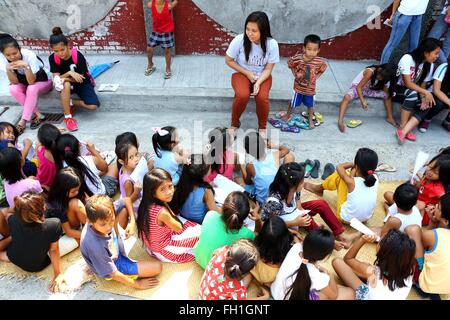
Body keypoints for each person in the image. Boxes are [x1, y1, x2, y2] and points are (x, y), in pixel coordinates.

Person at [261, 163, 356, 250]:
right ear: (292, 185)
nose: (304, 183)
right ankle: (329, 242)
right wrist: (295, 222)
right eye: (302, 182)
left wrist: (305, 218)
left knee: (320, 204)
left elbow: (299, 208)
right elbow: (271, 225)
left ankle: (341, 234)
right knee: (306, 219)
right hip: (280, 221)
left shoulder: (295, 190)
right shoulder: (273, 202)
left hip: (292, 214)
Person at [80, 195, 162, 289]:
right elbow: (113, 273)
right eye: (103, 224)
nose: (109, 227)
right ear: (90, 221)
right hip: (114, 263)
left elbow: (126, 200)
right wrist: (137, 284)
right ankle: (113, 265)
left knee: (124, 210)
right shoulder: (94, 245)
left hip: (113, 248)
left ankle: (112, 252)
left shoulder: (104, 209)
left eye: (111, 221)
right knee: (157, 267)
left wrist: (132, 222)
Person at [0, 192, 66, 293]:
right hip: (37, 266)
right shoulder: (54, 224)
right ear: (43, 209)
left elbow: (9, 212)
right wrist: (58, 273)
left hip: (14, 257)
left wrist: (21, 204)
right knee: (74, 241)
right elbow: (53, 250)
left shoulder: (12, 219)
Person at [225, 11, 280, 132]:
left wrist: (258, 82)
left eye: (254, 31)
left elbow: (268, 69)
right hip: (242, 73)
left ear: (263, 30)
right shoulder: (239, 40)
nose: (250, 33)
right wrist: (247, 73)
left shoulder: (272, 44)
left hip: (262, 75)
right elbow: (228, 60)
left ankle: (262, 128)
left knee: (262, 98)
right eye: (247, 29)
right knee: (242, 95)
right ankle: (234, 124)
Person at [137, 169, 201, 263]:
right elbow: (179, 228)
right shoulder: (162, 212)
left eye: (170, 186)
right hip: (164, 249)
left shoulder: (145, 203)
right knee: (201, 234)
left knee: (189, 224)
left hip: (152, 245)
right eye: (162, 189)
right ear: (153, 193)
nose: (169, 192)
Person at [271, 228, 353, 300]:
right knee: (350, 293)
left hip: (276, 292)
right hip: (287, 297)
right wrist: (329, 274)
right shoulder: (318, 277)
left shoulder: (296, 247)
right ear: (326, 257)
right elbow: (334, 296)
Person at [332, 229, 416, 300]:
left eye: (380, 240)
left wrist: (362, 240)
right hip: (379, 290)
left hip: (368, 296)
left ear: (384, 252)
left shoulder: (373, 272)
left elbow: (348, 259)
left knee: (337, 263)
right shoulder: (410, 267)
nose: (378, 240)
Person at [305, 148, 379, 223]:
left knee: (339, 176)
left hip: (346, 218)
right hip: (365, 219)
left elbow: (339, 167)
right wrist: (355, 169)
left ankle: (319, 188)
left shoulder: (351, 182)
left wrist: (352, 164)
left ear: (356, 167)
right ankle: (320, 187)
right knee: (347, 177)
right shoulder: (376, 178)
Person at [49, 27, 100, 132]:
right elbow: (56, 78)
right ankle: (68, 118)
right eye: (56, 51)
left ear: (68, 46)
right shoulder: (53, 58)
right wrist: (68, 73)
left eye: (62, 49)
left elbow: (81, 79)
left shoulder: (78, 56)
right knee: (65, 83)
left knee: (93, 106)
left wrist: (64, 78)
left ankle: (70, 102)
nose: (60, 53)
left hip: (82, 83)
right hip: (67, 85)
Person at [392, 38, 441, 144]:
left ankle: (404, 131)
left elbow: (422, 86)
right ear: (426, 52)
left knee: (430, 101)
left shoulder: (429, 65)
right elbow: (408, 83)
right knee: (413, 94)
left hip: (411, 91)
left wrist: (424, 98)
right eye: (435, 53)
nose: (437, 57)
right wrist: (425, 93)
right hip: (396, 89)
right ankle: (403, 126)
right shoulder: (408, 58)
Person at [0, 34, 52, 135]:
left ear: (19, 49)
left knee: (31, 88)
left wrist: (26, 66)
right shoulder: (2, 60)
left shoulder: (29, 55)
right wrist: (8, 69)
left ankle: (23, 121)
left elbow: (32, 81)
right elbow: (14, 82)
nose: (12, 57)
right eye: (8, 55)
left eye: (15, 53)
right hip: (24, 83)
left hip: (43, 81)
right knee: (13, 89)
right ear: (3, 54)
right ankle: (37, 114)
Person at [194, 191, 261, 269]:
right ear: (244, 218)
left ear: (223, 206)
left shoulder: (210, 214)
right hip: (214, 269)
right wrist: (258, 219)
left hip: (198, 258)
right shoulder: (246, 234)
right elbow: (257, 233)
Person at [384, 153, 450, 226]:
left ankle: (392, 212)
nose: (430, 172)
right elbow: (420, 186)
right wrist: (415, 183)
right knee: (388, 194)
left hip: (422, 212)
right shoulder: (427, 178)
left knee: (420, 204)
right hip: (412, 202)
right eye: (430, 167)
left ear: (443, 175)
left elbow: (445, 201)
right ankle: (395, 211)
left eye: (435, 172)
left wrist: (435, 208)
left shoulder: (437, 189)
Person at [280, 34, 327, 129]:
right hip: (298, 88)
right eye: (309, 49)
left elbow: (323, 68)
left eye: (315, 50)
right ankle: (288, 115)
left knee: (310, 106)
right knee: (293, 102)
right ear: (304, 48)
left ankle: (310, 121)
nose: (311, 52)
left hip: (310, 90)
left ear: (318, 50)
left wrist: (316, 77)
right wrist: (294, 74)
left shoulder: (319, 61)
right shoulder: (298, 58)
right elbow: (290, 63)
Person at [199, 239, 270, 300]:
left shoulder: (222, 250)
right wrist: (265, 297)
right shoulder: (238, 288)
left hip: (203, 291)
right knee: (249, 277)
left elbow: (213, 254)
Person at [408, 192, 450, 294]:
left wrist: (431, 222)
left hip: (427, 285)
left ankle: (416, 278)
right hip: (447, 289)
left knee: (413, 230)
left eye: (438, 207)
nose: (435, 206)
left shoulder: (432, 235)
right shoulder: (441, 230)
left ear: (445, 221)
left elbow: (422, 243)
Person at [338, 63, 397, 132]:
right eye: (380, 76)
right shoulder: (370, 72)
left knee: (387, 95)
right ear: (380, 69)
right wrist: (363, 101)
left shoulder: (382, 74)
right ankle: (340, 121)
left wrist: (389, 91)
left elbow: (384, 89)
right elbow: (358, 87)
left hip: (367, 90)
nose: (380, 79)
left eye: (383, 78)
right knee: (346, 97)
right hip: (357, 88)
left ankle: (390, 117)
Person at [244, 131, 294, 205]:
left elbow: (248, 182)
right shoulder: (275, 154)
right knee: (290, 156)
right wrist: (273, 145)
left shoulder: (250, 166)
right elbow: (286, 150)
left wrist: (242, 167)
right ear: (265, 144)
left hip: (263, 203)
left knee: (247, 185)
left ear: (248, 152)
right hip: (281, 198)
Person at [170, 154, 219, 224]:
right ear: (205, 171)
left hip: (184, 220)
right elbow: (215, 212)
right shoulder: (206, 191)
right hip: (199, 224)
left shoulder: (182, 183)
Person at [252, 216, 300, 287]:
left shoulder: (256, 243)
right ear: (285, 237)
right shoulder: (288, 251)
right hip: (273, 277)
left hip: (257, 273)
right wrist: (297, 241)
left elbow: (257, 232)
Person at [46, 167, 87, 243]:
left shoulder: (74, 193)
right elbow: (68, 231)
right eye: (74, 191)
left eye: (78, 189)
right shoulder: (55, 205)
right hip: (61, 235)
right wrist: (90, 236)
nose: (77, 192)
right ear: (62, 190)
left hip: (74, 228)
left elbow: (88, 201)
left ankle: (91, 229)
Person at [416, 56, 450, 133]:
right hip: (432, 93)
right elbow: (436, 91)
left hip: (446, 94)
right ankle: (426, 119)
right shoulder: (444, 67)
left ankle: (447, 121)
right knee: (439, 103)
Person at [145, 0, 178, 79]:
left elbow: (176, 1)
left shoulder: (169, 6)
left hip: (167, 32)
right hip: (156, 32)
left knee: (167, 50)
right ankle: (150, 65)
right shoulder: (150, 4)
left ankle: (168, 68)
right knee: (149, 49)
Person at [116, 142, 143, 216]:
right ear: (121, 161)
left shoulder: (123, 169)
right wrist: (136, 192)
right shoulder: (128, 181)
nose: (136, 159)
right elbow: (129, 200)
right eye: (131, 157)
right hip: (135, 208)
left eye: (137, 154)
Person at [36, 124, 60, 190]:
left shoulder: (40, 150)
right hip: (56, 186)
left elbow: (38, 145)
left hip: (41, 182)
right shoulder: (62, 153)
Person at [428, 1, 450, 66]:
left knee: (447, 47)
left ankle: (436, 72)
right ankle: (444, 64)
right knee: (431, 40)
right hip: (446, 13)